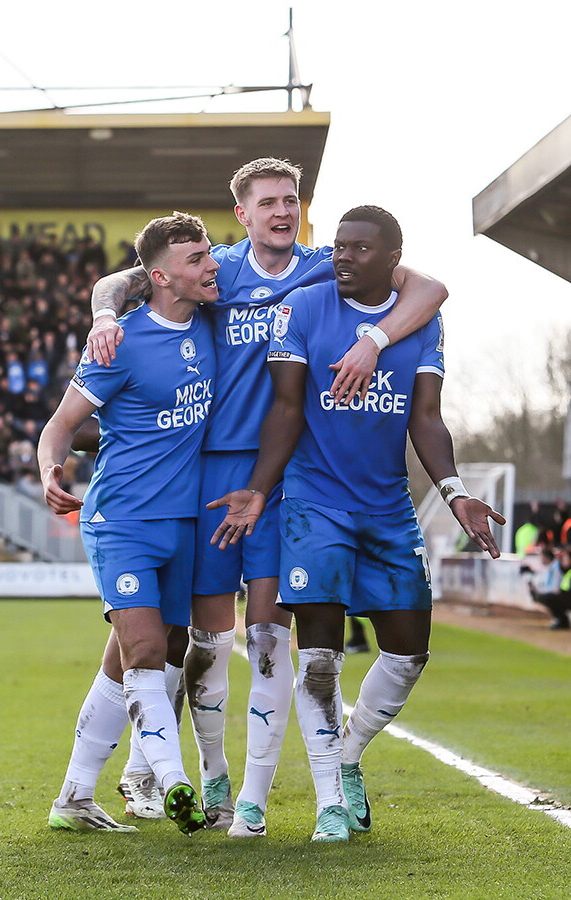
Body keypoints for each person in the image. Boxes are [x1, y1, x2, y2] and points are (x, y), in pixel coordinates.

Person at [86, 159, 448, 835]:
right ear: (242, 215)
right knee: (198, 638)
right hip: (210, 474)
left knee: (267, 635)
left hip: (288, 478)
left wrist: (374, 338)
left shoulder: (323, 267)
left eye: (291, 199)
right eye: (268, 202)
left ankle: (250, 796)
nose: (283, 210)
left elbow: (427, 288)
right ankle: (186, 770)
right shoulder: (215, 269)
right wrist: (105, 313)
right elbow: (126, 279)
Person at [209, 205, 504, 842]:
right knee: (319, 657)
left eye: (360, 249)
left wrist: (455, 493)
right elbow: (287, 409)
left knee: (409, 650)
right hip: (314, 504)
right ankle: (331, 804)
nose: (343, 256)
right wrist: (259, 491)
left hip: (388, 508)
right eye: (339, 246)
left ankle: (345, 756)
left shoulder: (423, 322)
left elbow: (426, 417)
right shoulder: (305, 309)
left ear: (392, 259)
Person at [37, 212, 219, 834]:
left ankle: (74, 797)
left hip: (184, 523)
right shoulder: (121, 342)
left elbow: (119, 283)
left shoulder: (216, 322)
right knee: (144, 647)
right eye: (195, 259)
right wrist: (48, 470)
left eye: (209, 254)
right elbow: (59, 425)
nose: (210, 265)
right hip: (123, 519)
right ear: (160, 276)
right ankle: (172, 780)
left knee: (152, 650)